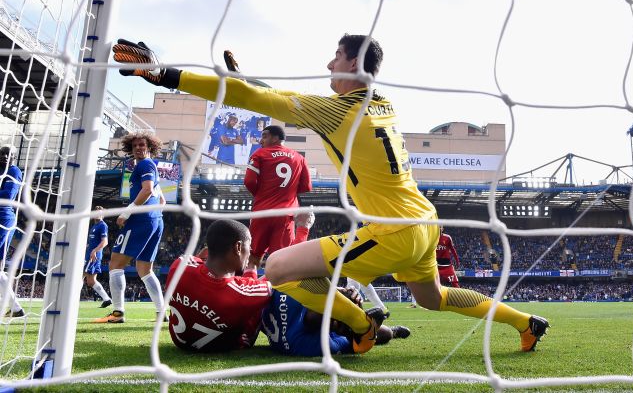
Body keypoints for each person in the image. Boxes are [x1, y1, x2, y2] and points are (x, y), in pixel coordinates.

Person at [112, 34, 549, 354]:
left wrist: (162, 73)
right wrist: (252, 87)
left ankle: (361, 327)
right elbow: (278, 98)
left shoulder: (336, 112)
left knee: (278, 268)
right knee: (432, 299)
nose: (328, 65)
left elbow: (269, 100)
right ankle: (524, 322)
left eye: (335, 56)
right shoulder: (383, 104)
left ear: (352, 63)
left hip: (394, 229)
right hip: (425, 223)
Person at [166, 219, 272, 352]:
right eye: (249, 247)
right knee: (269, 287)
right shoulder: (240, 293)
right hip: (228, 344)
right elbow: (278, 279)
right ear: (238, 247)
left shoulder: (178, 267)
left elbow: (199, 260)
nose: (250, 252)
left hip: (180, 341)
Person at [95, 132, 166, 324]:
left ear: (149, 147)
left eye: (142, 145)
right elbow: (161, 199)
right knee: (144, 269)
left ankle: (117, 314)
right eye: (135, 146)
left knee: (115, 264)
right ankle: (161, 312)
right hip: (155, 220)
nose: (139, 148)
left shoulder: (144, 164)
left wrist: (127, 212)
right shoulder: (152, 166)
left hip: (141, 220)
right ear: (130, 149)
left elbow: (148, 190)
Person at [260, 284, 410, 357]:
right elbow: (353, 344)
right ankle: (390, 331)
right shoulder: (316, 346)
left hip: (310, 326)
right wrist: (352, 333)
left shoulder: (288, 294)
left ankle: (357, 318)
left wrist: (342, 292)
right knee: (386, 334)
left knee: (382, 331)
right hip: (312, 332)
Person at [244, 125, 312, 275]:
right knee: (282, 260)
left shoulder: (259, 154)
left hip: (261, 213)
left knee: (253, 257)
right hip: (285, 216)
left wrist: (261, 194)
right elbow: (307, 186)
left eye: (264, 136)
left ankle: (251, 288)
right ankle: (277, 293)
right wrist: (287, 192)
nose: (261, 141)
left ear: (276, 138)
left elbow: (249, 181)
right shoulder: (299, 158)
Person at [0, 145, 24, 318]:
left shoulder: (14, 171)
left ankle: (15, 307)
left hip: (4, 217)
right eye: (3, 153)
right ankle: (15, 308)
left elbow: (8, 196)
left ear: (15, 157)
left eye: (9, 154)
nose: (5, 157)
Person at [83, 206, 112, 308]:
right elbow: (93, 242)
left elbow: (105, 242)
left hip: (93, 256)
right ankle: (107, 299)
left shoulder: (102, 225)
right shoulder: (94, 226)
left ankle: (71, 299)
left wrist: (94, 251)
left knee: (80, 275)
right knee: (90, 281)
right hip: (89, 254)